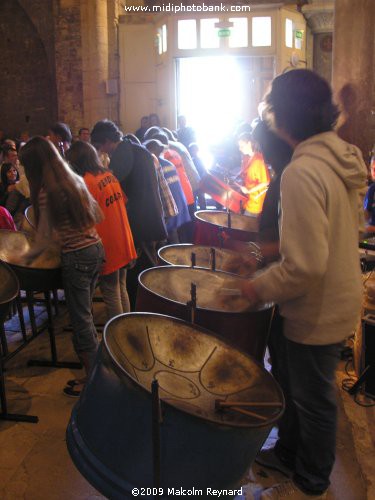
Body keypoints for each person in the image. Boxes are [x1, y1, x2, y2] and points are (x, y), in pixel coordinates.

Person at [239, 69, 367, 499]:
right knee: (299, 390)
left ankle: (311, 482)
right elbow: (341, 234)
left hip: (320, 305)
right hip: (335, 296)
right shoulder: (336, 157)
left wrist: (255, 287)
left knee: (313, 402)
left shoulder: (302, 172)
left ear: (282, 115)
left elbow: (305, 266)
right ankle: (290, 454)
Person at [19, 137, 105, 398]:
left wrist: (23, 258)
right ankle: (99, 373)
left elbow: (43, 238)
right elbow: (97, 214)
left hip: (77, 257)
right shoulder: (73, 179)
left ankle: (94, 385)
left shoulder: (47, 192)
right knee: (86, 316)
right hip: (95, 249)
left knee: (80, 323)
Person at [66, 141, 137, 320]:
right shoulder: (108, 175)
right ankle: (127, 329)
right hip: (123, 236)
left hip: (108, 241)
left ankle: (118, 336)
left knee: (111, 291)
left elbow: (85, 217)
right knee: (121, 286)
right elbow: (124, 202)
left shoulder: (87, 182)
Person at [237, 131, 270, 215]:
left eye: (242, 146)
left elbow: (265, 182)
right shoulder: (246, 157)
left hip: (255, 201)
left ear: (249, 143)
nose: (240, 149)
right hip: (247, 199)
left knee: (246, 226)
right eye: (239, 146)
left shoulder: (258, 160)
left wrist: (249, 190)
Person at [0, 163, 29, 228]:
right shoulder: (1, 187)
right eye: (9, 172)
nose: (13, 173)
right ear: (4, 174)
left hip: (21, 213)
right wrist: (7, 192)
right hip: (6, 215)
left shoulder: (20, 184)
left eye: (14, 170)